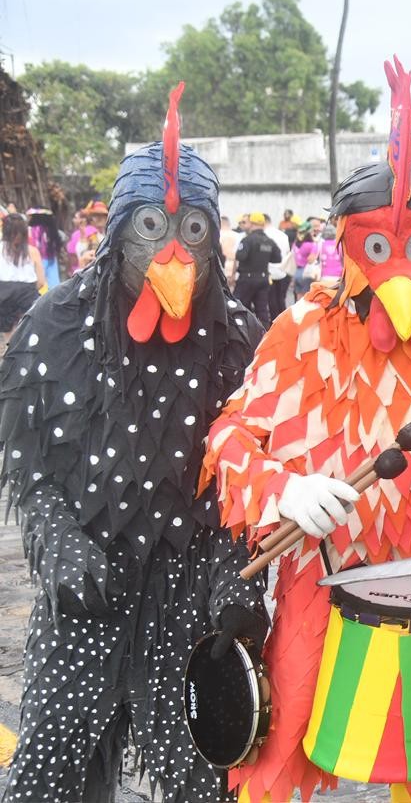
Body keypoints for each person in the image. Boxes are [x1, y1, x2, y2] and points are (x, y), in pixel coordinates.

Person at [201, 58, 411, 802]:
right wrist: (283, 491)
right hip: (322, 578)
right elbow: (229, 437)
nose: (399, 269)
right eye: (377, 248)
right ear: (345, 247)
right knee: (278, 753)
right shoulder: (302, 332)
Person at [0, 82, 267, 803]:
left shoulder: (239, 341)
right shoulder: (55, 327)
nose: (173, 250)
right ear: (120, 231)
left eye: (193, 230)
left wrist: (234, 579)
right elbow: (30, 469)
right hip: (85, 597)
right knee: (50, 769)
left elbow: (247, 483)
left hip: (188, 600)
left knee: (200, 779)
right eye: (152, 225)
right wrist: (60, 544)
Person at [0, 214, 46, 340]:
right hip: (28, 294)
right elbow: (41, 282)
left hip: (4, 294)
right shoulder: (33, 251)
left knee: (9, 337)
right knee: (28, 335)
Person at [235, 213, 281, 324]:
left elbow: (240, 256)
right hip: (263, 279)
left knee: (240, 307)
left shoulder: (247, 240)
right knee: (262, 310)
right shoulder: (269, 241)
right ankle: (264, 331)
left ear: (251, 223)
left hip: (247, 279)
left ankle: (242, 331)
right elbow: (277, 258)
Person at [263, 212, 292, 319]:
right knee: (281, 298)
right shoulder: (283, 235)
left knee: (271, 299)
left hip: (269, 271)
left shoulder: (265, 234)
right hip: (282, 271)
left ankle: (274, 321)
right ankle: (284, 320)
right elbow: (287, 252)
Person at [292, 226, 318, 297]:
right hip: (306, 273)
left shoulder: (295, 244)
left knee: (298, 296)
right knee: (306, 296)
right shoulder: (312, 245)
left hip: (297, 272)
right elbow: (311, 260)